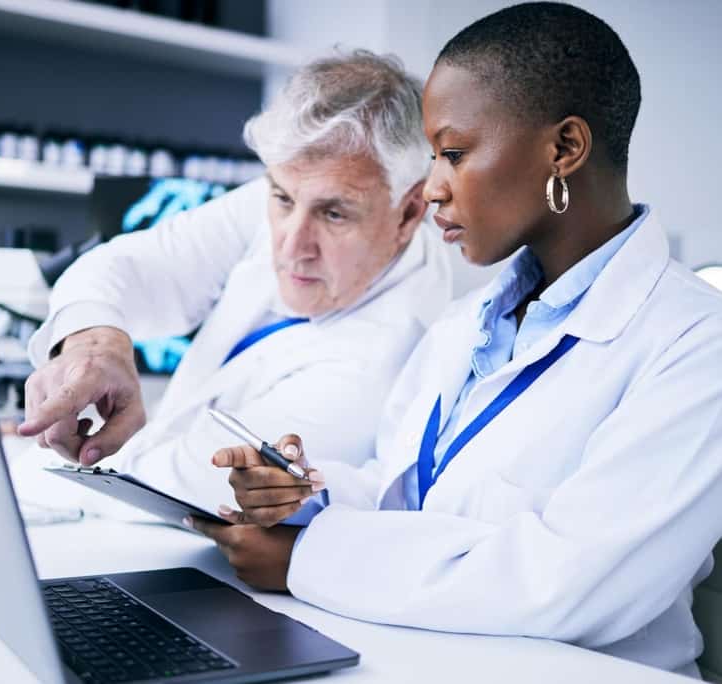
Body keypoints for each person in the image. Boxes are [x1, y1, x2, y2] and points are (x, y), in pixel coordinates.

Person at [191, 3, 722, 676]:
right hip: (424, 653)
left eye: (453, 154)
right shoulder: (465, 326)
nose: (432, 189)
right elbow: (407, 494)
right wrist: (303, 498)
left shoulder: (697, 345)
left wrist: (307, 556)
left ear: (563, 149)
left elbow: (573, 583)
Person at [18, 50, 452, 512]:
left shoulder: (388, 350)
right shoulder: (304, 188)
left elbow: (193, 484)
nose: (289, 246)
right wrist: (96, 345)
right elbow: (132, 264)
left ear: (408, 213)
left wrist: (27, 469)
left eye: (334, 214)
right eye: (282, 198)